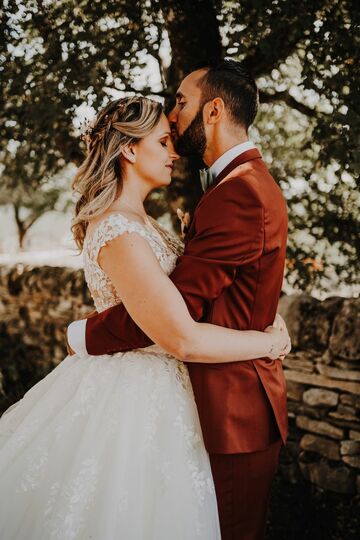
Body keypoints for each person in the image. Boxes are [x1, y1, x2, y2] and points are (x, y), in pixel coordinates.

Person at [0, 95, 290, 540]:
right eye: (163, 142)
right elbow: (181, 337)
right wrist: (271, 343)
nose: (174, 153)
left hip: (170, 391)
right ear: (130, 150)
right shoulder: (118, 230)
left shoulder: (145, 224)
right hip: (134, 394)